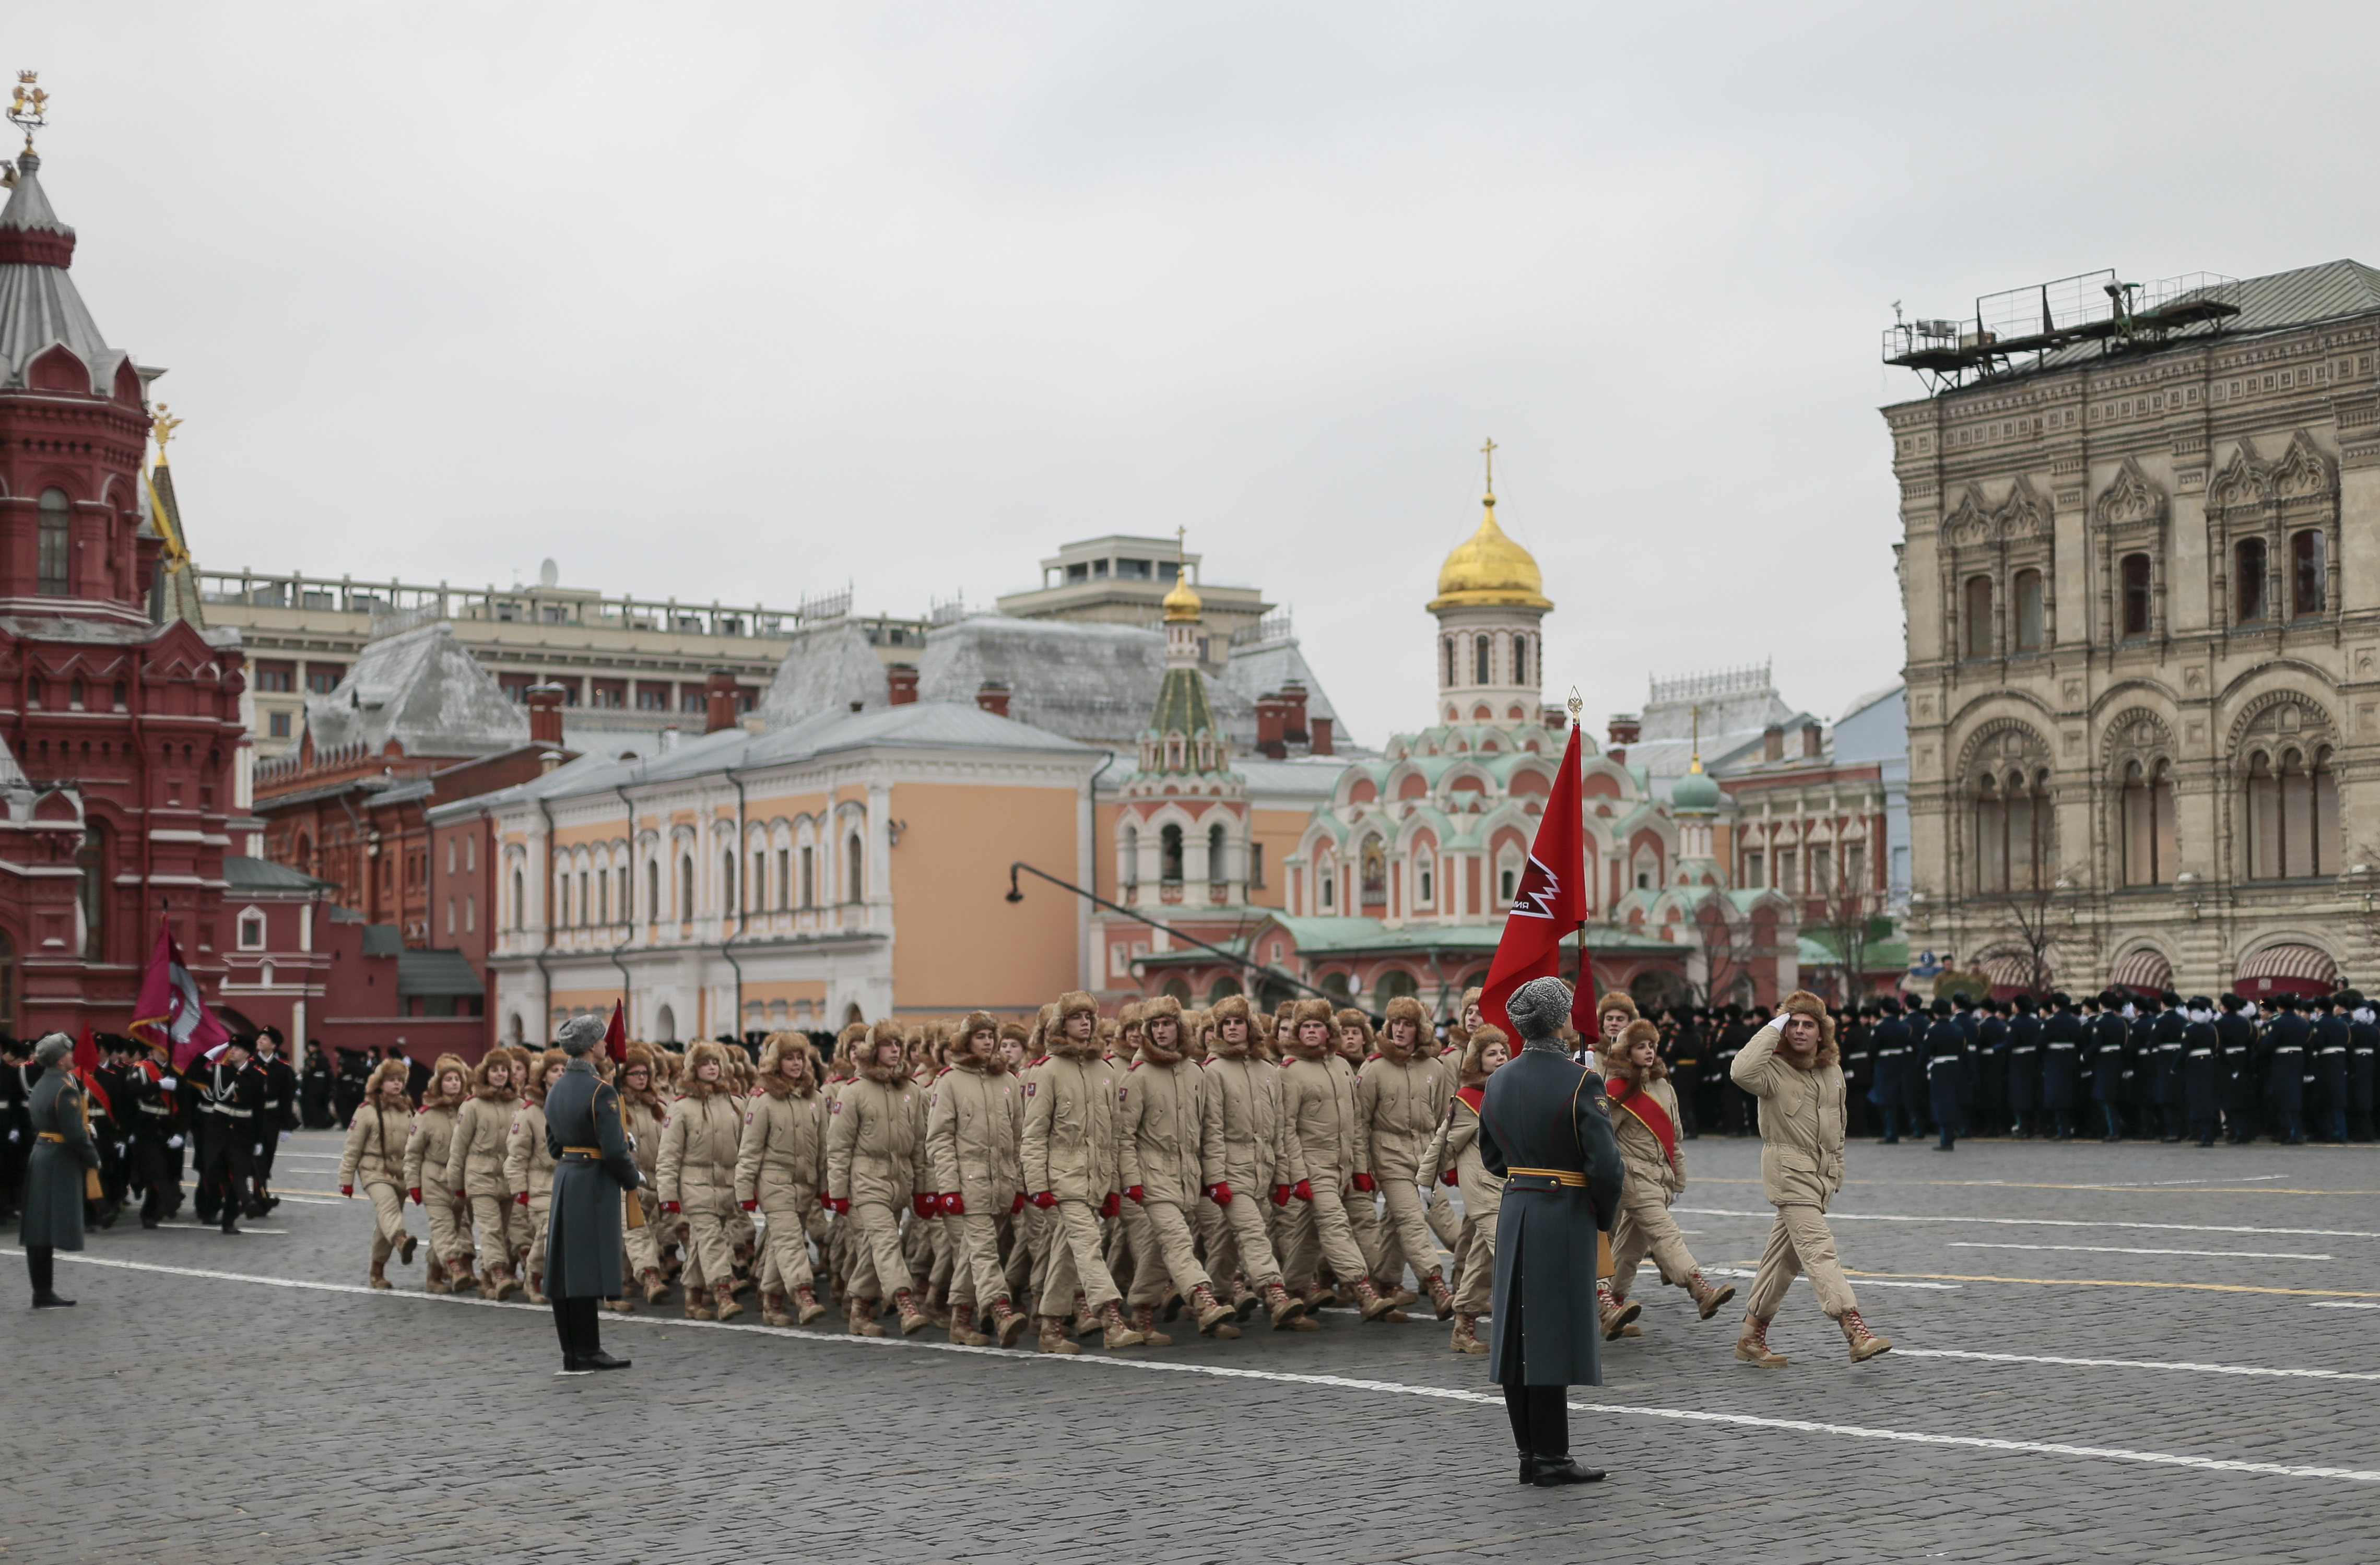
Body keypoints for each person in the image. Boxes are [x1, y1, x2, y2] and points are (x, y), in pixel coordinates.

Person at [1474, 977, 1624, 1487]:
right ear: (1560, 1020)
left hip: (1516, 1209)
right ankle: (1553, 1458)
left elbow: (1492, 1157)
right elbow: (1606, 1166)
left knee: (1518, 1335)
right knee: (1551, 1335)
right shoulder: (1582, 1081)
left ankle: (1529, 1454)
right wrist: (1601, 1217)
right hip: (1563, 1210)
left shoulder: (1496, 1080)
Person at [1730, 990, 1890, 1369]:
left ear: (1822, 1032)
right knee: (1820, 1250)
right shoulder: (1770, 1069)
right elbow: (1740, 1071)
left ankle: (1751, 1336)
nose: (1800, 1031)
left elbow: (1840, 1125)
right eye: (1793, 1024)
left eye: (1808, 1024)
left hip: (1820, 1178)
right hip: (1788, 1174)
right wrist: (1773, 1026)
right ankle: (1854, 1330)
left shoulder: (1832, 1071)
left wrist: (1836, 1170)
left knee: (1782, 1263)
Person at [1017, 994, 1147, 1351]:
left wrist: (1114, 1187)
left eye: (1089, 1017)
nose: (1085, 1024)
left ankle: (1050, 1329)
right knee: (1089, 1248)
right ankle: (1111, 1319)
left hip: (1096, 1179)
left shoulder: (1105, 1071)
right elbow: (1034, 1135)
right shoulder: (1047, 1071)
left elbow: (1115, 1135)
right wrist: (1038, 1185)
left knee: (1065, 1255)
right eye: (1076, 1018)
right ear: (1062, 1025)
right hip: (1064, 1179)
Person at [1115, 995, 1240, 1344]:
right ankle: (1203, 1299)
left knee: (1159, 1247)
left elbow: (1210, 1132)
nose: (1161, 1031)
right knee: (1178, 1241)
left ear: (1179, 1028)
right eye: (1154, 1026)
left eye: (1167, 1024)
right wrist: (1132, 1180)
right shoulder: (1136, 1077)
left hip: (1187, 1176)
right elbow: (1123, 1136)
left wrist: (1212, 1178)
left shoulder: (1197, 1074)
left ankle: (1141, 1313)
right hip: (1151, 1174)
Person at [1599, 1017, 1732, 1333]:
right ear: (1626, 1052)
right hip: (1631, 1175)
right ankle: (1698, 1287)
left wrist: (1678, 1179)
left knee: (1630, 1249)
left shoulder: (1663, 1085)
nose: (1648, 1052)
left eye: (1651, 1046)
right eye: (1640, 1047)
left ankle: (1611, 1310)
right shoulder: (1616, 1089)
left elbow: (1675, 1137)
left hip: (1661, 1177)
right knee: (1665, 1233)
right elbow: (1602, 1138)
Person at [1278, 997, 1396, 1322]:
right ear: (1297, 1033)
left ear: (1329, 1030)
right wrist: (1297, 1175)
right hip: (1313, 1165)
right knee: (1334, 1225)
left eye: (1318, 1026)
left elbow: (1355, 1123)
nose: (1312, 1032)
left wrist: (1359, 1168)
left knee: (1309, 1234)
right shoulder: (1289, 1072)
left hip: (1342, 1164)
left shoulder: (1342, 1066)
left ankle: (1290, 1291)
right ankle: (1363, 1289)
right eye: (1306, 1027)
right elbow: (1285, 1129)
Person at [1196, 994, 1307, 1331]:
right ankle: (1274, 1292)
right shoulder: (1212, 1072)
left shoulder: (1268, 1071)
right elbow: (1210, 1129)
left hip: (1263, 1167)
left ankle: (1212, 1300)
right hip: (1230, 1168)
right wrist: (1215, 1179)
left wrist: (1283, 1176)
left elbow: (1278, 1129)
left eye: (1238, 1023)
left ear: (1250, 1028)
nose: (1232, 1029)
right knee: (1253, 1232)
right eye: (1226, 1023)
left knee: (1229, 1240)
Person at [920, 1014, 1026, 1345]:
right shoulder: (949, 1081)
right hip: (969, 1182)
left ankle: (960, 1320)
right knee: (983, 1252)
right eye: (980, 1036)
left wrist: (1019, 1184)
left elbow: (1019, 1138)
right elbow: (939, 1139)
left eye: (991, 1036)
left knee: (970, 1254)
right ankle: (1000, 1307)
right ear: (966, 1042)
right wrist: (949, 1187)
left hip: (1001, 1184)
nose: (988, 1042)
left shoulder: (1007, 1080)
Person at [541, 1015, 639, 1373]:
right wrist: (632, 1177)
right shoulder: (602, 1090)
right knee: (583, 1269)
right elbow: (614, 1152)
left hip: (566, 1177)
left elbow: (554, 1146)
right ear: (590, 1046)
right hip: (594, 1181)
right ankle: (588, 1349)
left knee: (566, 1268)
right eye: (600, 1039)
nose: (604, 1044)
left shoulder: (556, 1088)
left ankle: (574, 1352)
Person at [827, 1019, 935, 1339]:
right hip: (867, 1179)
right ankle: (906, 1303)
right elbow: (838, 1146)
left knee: (876, 1248)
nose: (896, 1051)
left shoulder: (910, 1091)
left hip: (899, 1180)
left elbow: (919, 1146)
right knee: (887, 1242)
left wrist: (922, 1189)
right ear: (873, 1051)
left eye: (898, 1045)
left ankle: (859, 1310)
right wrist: (838, 1193)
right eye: (889, 1045)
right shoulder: (853, 1092)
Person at [1357, 993, 1456, 1321]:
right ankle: (1437, 1283)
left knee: (1422, 1224)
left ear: (1420, 1030)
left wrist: (1445, 1163)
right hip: (1390, 1160)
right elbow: (1361, 1123)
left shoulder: (1435, 1069)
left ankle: (1385, 1282)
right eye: (1396, 1023)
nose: (1400, 1031)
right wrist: (1364, 1167)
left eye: (1408, 1025)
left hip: (1425, 1159)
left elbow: (1444, 1119)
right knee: (1412, 1222)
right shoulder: (1373, 1070)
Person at [737, 1033, 833, 1329]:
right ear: (776, 1063)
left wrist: (826, 1187)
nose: (796, 1064)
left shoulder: (814, 1098)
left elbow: (823, 1147)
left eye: (799, 1058)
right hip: (774, 1182)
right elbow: (750, 1150)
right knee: (791, 1242)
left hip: (804, 1184)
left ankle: (771, 1302)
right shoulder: (763, 1100)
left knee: (782, 1245)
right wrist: (745, 1189)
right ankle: (803, 1295)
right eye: (789, 1058)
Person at [1423, 1023, 1507, 1354]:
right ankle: (1531, 1327)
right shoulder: (1469, 1099)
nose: (1500, 1058)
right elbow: (1443, 1143)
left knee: (1481, 1261)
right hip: (1482, 1189)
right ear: (1477, 1061)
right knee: (1511, 1253)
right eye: (1492, 1054)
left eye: (1502, 1052)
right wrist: (1425, 1181)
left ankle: (1463, 1327)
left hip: (1506, 1186)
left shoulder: (1508, 1091)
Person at [656, 1040, 747, 1322]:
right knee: (711, 1237)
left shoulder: (734, 1103)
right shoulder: (682, 1107)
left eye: (716, 1063)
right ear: (693, 1069)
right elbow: (669, 1154)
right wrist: (668, 1193)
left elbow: (745, 1147)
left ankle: (693, 1299)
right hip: (694, 1183)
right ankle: (723, 1290)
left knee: (701, 1242)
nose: (711, 1068)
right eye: (705, 1063)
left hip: (725, 1183)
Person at [20, 1034, 97, 1307]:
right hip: (59, 1160)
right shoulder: (65, 1088)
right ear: (60, 1058)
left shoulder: (42, 1083)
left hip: (41, 1153)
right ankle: (43, 1292)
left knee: (38, 1227)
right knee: (47, 1227)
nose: (72, 1055)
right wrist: (93, 1159)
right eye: (69, 1052)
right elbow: (75, 1134)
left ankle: (42, 1292)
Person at [443, 1050, 524, 1300]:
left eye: (504, 1070)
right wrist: (456, 1184)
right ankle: (499, 1273)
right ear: (485, 1074)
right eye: (495, 1070)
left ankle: (487, 1278)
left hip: (509, 1176)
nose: (500, 1074)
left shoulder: (520, 1105)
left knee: (507, 1229)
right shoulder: (472, 1105)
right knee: (490, 1229)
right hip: (481, 1175)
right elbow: (458, 1148)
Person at [336, 1059, 419, 1289]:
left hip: (401, 1173)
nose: (397, 1084)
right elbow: (352, 1148)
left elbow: (416, 1145)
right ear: (380, 1083)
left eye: (400, 1081)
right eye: (392, 1080)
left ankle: (377, 1270)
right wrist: (346, 1179)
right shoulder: (366, 1110)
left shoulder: (408, 1110)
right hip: (374, 1170)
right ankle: (402, 1239)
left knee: (386, 1223)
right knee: (388, 1206)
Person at [404, 1054, 475, 1294]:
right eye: (449, 1079)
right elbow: (413, 1153)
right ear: (438, 1084)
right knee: (444, 1228)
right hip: (434, 1179)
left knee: (457, 1227)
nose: (454, 1083)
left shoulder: (468, 1111)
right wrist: (413, 1184)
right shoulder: (425, 1115)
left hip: (461, 1181)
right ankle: (455, 1268)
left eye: (457, 1079)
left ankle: (433, 1278)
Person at [193, 1036, 265, 1234]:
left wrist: (259, 1139)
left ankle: (232, 1217)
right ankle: (242, 1201)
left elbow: (259, 1111)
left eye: (238, 1049)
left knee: (238, 1172)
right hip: (217, 1131)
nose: (233, 1051)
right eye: (232, 1048)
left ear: (248, 1054)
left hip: (242, 1133)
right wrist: (208, 1054)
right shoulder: (219, 1070)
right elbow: (193, 1074)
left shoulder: (258, 1076)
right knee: (216, 1174)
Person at [1867, 998, 1913, 1144]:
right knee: (1895, 1099)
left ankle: (1891, 1133)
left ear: (1883, 1010)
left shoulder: (1880, 1027)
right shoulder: (1904, 1026)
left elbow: (1873, 1049)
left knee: (1885, 1100)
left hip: (1884, 1065)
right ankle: (1897, 1130)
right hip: (1900, 1064)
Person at [1923, 999, 1965, 1152]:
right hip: (1955, 1067)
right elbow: (1962, 1049)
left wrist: (1920, 1064)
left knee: (1941, 1104)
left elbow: (1926, 1051)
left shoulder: (1933, 1029)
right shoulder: (1957, 1028)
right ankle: (1952, 1132)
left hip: (1940, 1068)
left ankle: (1946, 1139)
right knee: (1952, 1101)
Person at [2041, 992, 2085, 1141]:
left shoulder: (2050, 1022)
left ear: (2055, 1006)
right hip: (2071, 1060)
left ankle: (2061, 1129)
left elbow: (2041, 1043)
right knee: (2068, 1096)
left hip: (2055, 1061)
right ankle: (2067, 1128)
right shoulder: (2075, 1022)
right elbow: (2080, 1043)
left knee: (2056, 1097)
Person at [2181, 998, 2222, 1147]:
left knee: (2198, 1100)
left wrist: (2175, 1067)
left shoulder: (2190, 1029)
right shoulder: (2211, 1028)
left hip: (2195, 1067)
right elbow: (2217, 1047)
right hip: (2209, 1065)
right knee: (2208, 1099)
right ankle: (2211, 1132)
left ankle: (2206, 1135)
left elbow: (2184, 1050)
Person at [2006, 994, 2042, 1139]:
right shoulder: (2035, 1022)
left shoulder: (2014, 1023)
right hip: (2033, 1061)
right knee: (2032, 1095)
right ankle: (2032, 1127)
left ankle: (2022, 1126)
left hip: (2019, 1062)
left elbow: (2010, 1043)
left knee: (2019, 1095)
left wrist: (1998, 1049)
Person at [300, 1040, 336, 1129]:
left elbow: (313, 1072)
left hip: (317, 1086)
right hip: (312, 1086)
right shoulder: (311, 1058)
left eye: (312, 1047)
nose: (310, 1049)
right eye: (310, 1047)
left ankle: (320, 1123)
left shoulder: (318, 1058)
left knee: (317, 1106)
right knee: (313, 1105)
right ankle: (314, 1122)